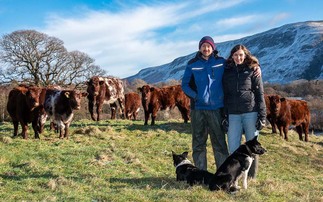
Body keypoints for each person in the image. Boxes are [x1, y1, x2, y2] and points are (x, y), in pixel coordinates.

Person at [181, 36, 229, 170]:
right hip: (198, 109)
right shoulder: (192, 64)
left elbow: (239, 66)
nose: (206, 48)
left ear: (213, 47)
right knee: (198, 142)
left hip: (217, 108)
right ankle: (201, 174)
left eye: (208, 46)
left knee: (219, 142)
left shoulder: (221, 62)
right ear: (200, 48)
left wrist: (256, 66)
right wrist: (196, 96)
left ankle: (222, 173)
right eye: (203, 46)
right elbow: (185, 85)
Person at [222, 44, 266, 178]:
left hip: (250, 113)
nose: (238, 57)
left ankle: (252, 176)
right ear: (232, 56)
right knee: (233, 147)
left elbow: (260, 94)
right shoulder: (226, 71)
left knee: (253, 146)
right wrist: (224, 115)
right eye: (235, 55)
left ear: (245, 55)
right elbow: (224, 94)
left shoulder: (253, 70)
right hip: (233, 114)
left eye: (241, 55)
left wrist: (262, 116)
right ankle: (234, 176)